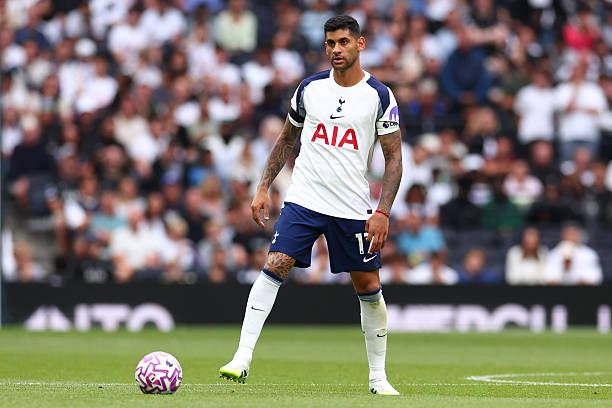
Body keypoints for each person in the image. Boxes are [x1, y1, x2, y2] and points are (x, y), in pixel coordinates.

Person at [219, 16, 403, 396]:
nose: (336, 49)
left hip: (351, 206)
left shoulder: (379, 95)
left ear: (360, 44)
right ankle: (242, 357)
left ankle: (377, 377)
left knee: (368, 285)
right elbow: (287, 138)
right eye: (330, 43)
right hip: (304, 198)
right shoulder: (310, 88)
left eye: (343, 42)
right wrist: (262, 187)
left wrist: (382, 212)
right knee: (275, 264)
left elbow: (394, 158)